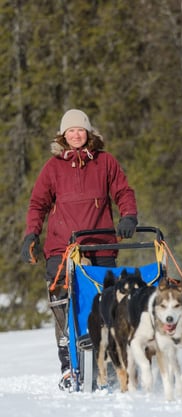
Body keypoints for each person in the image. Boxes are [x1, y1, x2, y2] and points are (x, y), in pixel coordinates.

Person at [20, 109, 138, 390]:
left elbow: (123, 191)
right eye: (70, 131)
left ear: (89, 133)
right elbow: (38, 203)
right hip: (63, 247)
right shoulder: (52, 167)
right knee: (62, 304)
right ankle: (68, 367)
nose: (76, 135)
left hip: (100, 244)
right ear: (63, 135)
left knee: (106, 304)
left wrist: (129, 216)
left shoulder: (105, 162)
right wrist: (31, 234)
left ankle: (109, 365)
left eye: (80, 130)